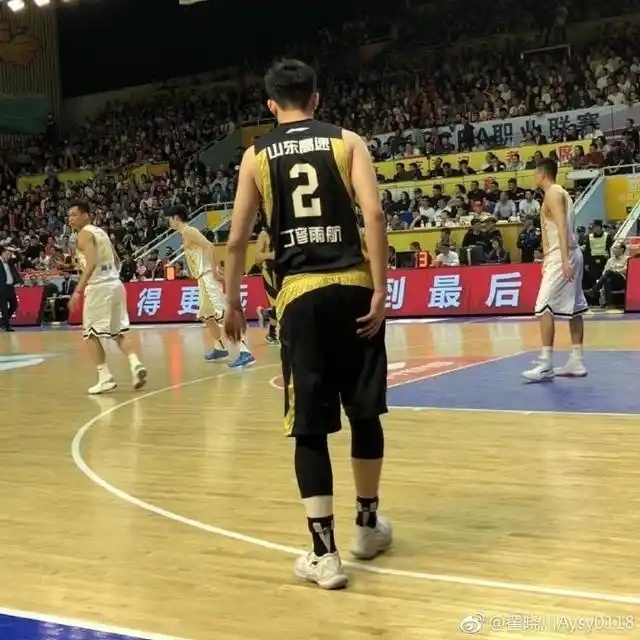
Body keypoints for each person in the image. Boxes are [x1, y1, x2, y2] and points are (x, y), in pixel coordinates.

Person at [223, 59, 391, 589]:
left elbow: (237, 239)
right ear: (316, 98)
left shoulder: (256, 155)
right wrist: (381, 288)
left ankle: (325, 555)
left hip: (300, 296)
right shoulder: (348, 141)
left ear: (271, 106)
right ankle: (367, 527)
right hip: (355, 285)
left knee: (310, 426)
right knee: (365, 411)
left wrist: (232, 302)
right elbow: (375, 215)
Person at [67, 201, 147, 394]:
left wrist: (78, 290)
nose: (70, 219)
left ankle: (105, 377)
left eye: (74, 215)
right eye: (69, 216)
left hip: (99, 288)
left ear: (86, 215)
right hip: (115, 284)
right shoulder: (100, 232)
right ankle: (135, 364)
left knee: (90, 333)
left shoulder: (84, 234)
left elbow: (92, 262)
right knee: (117, 332)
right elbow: (117, 260)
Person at [522, 160, 588, 382]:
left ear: (542, 174)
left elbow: (562, 225)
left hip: (563, 255)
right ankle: (577, 361)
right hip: (569, 253)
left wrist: (563, 259)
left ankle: (545, 364)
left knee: (544, 307)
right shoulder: (562, 193)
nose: (534, 177)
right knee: (574, 308)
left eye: (535, 173)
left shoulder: (552, 193)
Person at [168, 206, 254, 368]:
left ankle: (245, 351)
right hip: (201, 277)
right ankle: (219, 347)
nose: (168, 222)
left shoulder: (189, 231)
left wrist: (214, 270)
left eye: (169, 218)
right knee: (207, 315)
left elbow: (210, 246)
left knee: (222, 313)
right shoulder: (185, 233)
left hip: (208, 275)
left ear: (176, 218)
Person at [254, 221, 279, 345]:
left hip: (284, 271)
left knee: (286, 301)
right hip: (270, 272)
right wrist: (271, 255)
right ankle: (271, 333)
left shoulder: (284, 231)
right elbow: (257, 257)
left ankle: (265, 313)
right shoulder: (264, 234)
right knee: (279, 302)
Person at [0, 247, 21, 331]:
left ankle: (2, 322)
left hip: (10, 287)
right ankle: (7, 326)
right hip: (2, 288)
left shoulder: (10, 262)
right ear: (2, 253)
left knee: (14, 305)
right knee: (4, 308)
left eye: (9, 255)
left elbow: (18, 258)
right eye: (7, 254)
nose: (8, 256)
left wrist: (14, 250)